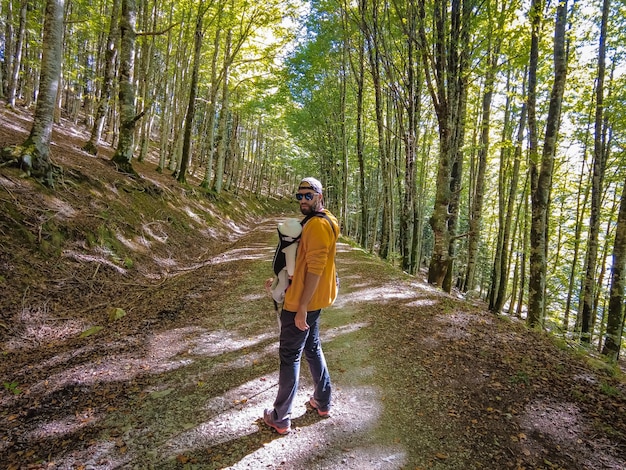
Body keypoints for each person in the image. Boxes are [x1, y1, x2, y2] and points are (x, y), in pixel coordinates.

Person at [263, 177, 340, 435]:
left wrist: (302, 306)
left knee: (289, 356)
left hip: (303, 303)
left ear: (320, 195)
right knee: (311, 347)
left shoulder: (317, 226)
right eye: (300, 196)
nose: (304, 200)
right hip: (312, 299)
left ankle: (280, 416)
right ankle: (322, 401)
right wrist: (279, 284)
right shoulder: (325, 219)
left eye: (309, 195)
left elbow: (315, 270)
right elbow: (302, 266)